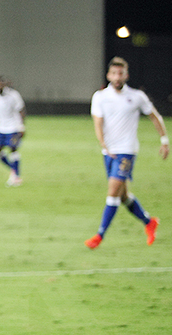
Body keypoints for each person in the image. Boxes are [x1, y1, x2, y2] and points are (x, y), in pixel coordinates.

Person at [85, 57, 168, 249]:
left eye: (120, 73)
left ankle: (99, 236)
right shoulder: (100, 97)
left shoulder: (137, 96)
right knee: (123, 197)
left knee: (112, 192)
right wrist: (102, 142)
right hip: (108, 152)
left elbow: (155, 116)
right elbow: (98, 121)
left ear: (126, 75)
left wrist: (164, 141)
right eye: (113, 73)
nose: (117, 77)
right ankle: (149, 222)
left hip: (127, 151)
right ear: (108, 75)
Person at [0, 76, 26, 187]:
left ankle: (16, 177)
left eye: (1, 84)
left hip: (13, 127)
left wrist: (22, 127)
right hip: (1, 128)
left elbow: (21, 110)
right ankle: (14, 170)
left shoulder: (13, 95)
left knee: (13, 149)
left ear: (5, 85)